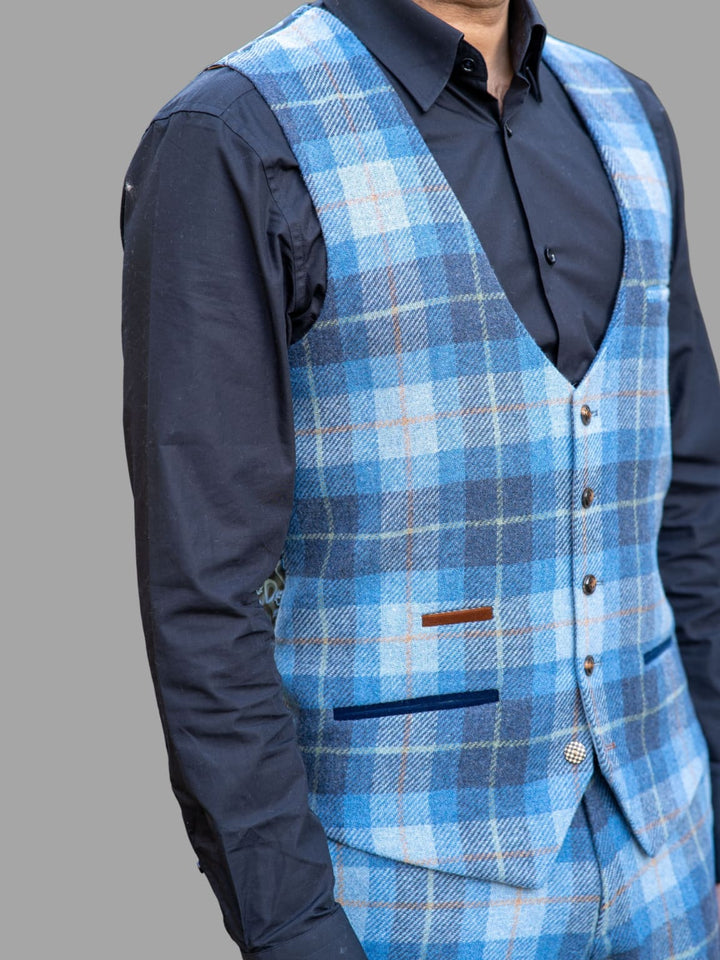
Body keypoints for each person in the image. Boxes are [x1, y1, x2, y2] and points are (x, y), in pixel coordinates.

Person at [120, 0, 720, 956]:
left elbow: (690, 494)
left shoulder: (630, 115)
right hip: (410, 903)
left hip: (675, 862)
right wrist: (294, 929)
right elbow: (202, 595)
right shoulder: (236, 136)